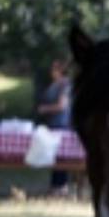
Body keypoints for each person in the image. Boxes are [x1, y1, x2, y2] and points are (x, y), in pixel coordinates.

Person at [35, 58, 71, 194]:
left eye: (54, 68)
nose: (52, 71)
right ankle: (55, 185)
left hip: (61, 124)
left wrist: (45, 109)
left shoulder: (65, 85)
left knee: (61, 155)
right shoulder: (55, 84)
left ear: (60, 70)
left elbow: (62, 105)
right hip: (52, 124)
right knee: (54, 155)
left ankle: (61, 186)